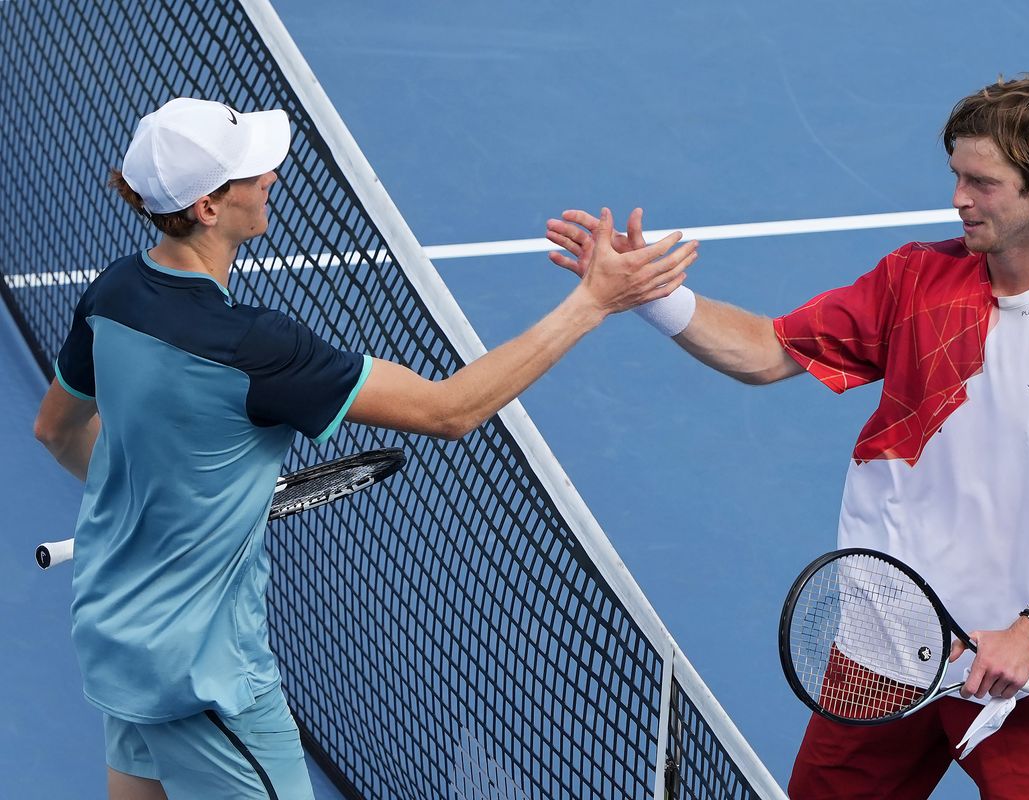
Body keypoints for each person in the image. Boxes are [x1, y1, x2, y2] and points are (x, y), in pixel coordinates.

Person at [33, 97, 697, 800]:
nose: (272, 178)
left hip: (116, 632)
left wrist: (159, 507)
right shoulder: (255, 348)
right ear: (206, 207)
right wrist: (592, 301)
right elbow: (451, 409)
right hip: (204, 678)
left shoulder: (112, 295)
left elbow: (59, 430)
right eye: (254, 173)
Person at [546, 74, 1029, 799]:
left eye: (982, 182)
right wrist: (652, 294)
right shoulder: (915, 280)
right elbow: (764, 352)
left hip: (1022, 669)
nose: (959, 198)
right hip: (881, 649)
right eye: (956, 177)